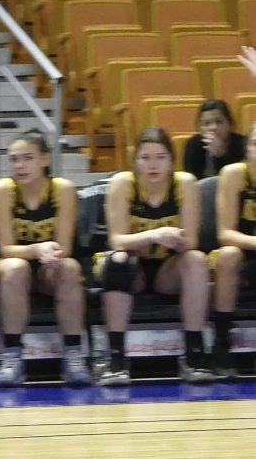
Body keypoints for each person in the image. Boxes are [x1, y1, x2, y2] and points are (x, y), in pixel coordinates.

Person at [97, 126, 214, 386]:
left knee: (196, 260)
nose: (153, 164)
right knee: (117, 261)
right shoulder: (123, 184)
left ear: (171, 161)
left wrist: (174, 239)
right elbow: (117, 240)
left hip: (168, 268)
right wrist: (154, 235)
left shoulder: (185, 183)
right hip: (134, 266)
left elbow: (191, 241)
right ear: (135, 160)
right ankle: (116, 358)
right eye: (145, 157)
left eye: (160, 157)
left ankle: (194, 354)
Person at [0, 129, 91, 386]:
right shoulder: (2, 190)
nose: (20, 165)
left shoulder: (62, 189)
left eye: (27, 158)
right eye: (14, 159)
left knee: (70, 267)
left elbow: (64, 247)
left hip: (48, 266)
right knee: (16, 268)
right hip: (8, 264)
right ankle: (12, 355)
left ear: (44, 159)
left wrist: (47, 253)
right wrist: (36, 249)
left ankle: (73, 354)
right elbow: (6, 248)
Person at [210, 123, 256, 378]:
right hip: (238, 255)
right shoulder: (234, 174)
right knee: (229, 254)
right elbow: (225, 234)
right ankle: (221, 343)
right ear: (247, 148)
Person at [183, 99, 245, 180]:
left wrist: (220, 154)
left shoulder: (242, 144)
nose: (213, 127)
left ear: (230, 124)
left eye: (219, 122)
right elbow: (191, 180)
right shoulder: (193, 145)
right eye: (206, 123)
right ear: (200, 128)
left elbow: (238, 178)